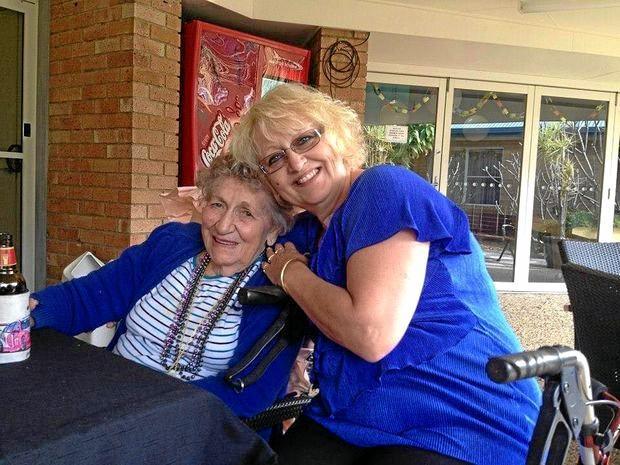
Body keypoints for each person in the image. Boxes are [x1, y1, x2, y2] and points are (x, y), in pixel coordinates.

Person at [230, 83, 542, 465]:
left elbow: (370, 333)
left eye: (305, 139)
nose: (295, 163)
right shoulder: (312, 229)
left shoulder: (385, 189)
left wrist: (291, 272)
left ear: (339, 135)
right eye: (275, 159)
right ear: (271, 181)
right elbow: (241, 229)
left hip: (460, 416)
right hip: (356, 417)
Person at [30, 154, 316, 421]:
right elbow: (85, 299)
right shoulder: (171, 244)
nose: (224, 225)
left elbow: (251, 393)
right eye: (217, 204)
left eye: (246, 214)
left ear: (273, 230)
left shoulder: (278, 287)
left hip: (189, 428)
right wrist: (26, 313)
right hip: (107, 402)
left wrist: (152, 411)